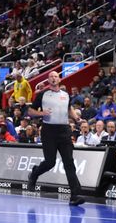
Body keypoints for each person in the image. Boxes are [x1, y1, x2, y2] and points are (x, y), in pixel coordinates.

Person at [27, 71, 85, 205]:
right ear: (48, 80)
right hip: (49, 130)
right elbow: (30, 111)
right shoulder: (42, 94)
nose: (53, 78)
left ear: (59, 79)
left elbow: (69, 109)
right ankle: (35, 173)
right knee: (50, 162)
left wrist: (76, 118)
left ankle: (75, 195)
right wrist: (42, 113)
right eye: (51, 77)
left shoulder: (66, 95)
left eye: (55, 76)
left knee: (69, 163)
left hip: (64, 130)